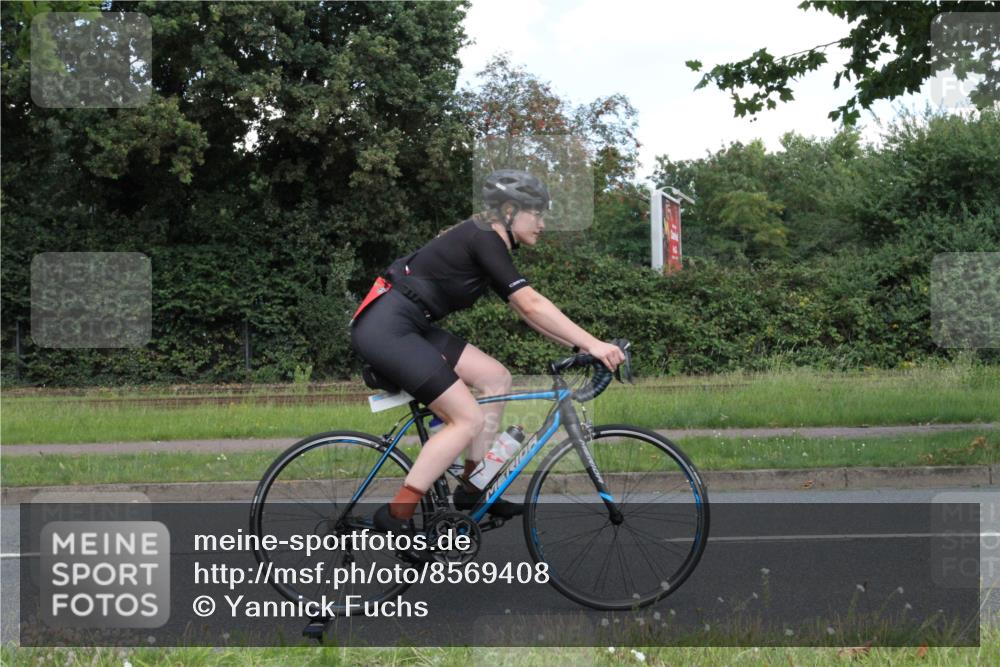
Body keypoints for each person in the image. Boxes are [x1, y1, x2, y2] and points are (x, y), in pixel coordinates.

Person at [350, 169, 625, 534]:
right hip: (387, 329)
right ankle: (396, 514)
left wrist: (582, 347)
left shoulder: (486, 242)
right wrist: (594, 343)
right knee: (467, 419)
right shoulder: (483, 237)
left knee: (495, 377)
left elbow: (530, 315)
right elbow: (531, 303)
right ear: (509, 211)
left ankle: (471, 487)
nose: (542, 224)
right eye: (537, 213)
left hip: (410, 326)